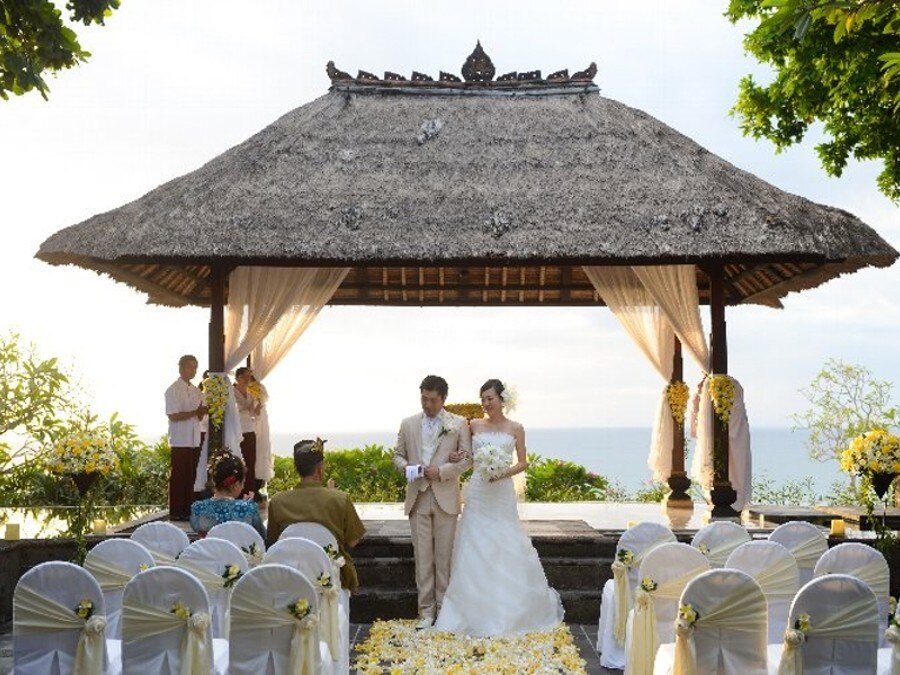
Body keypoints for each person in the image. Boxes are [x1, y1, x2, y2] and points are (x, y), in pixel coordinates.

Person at [434, 379, 564, 636]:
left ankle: (509, 608)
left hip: (501, 491)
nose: (485, 403)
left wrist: (503, 472)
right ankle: (469, 609)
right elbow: (467, 457)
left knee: (505, 541)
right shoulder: (473, 426)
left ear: (502, 400)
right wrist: (457, 457)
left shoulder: (516, 428)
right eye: (482, 399)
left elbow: (524, 463)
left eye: (489, 398)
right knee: (474, 542)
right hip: (480, 490)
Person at [393, 375, 472, 630]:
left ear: (443, 399)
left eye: (432, 400)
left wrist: (442, 470)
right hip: (418, 497)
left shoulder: (459, 424)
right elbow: (397, 457)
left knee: (444, 558)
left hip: (445, 498)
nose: (427, 404)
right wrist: (409, 469)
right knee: (423, 558)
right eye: (423, 399)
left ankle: (445, 610)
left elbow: (467, 460)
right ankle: (425, 611)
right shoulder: (408, 423)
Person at [266, 438, 366, 593]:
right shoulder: (339, 499)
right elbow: (353, 541)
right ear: (320, 469)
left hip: (291, 579)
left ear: (296, 468)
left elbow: (274, 543)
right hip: (331, 579)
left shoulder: (278, 501)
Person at [164, 354, 207, 521]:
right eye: (190, 366)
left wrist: (202, 412)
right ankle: (176, 511)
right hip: (180, 439)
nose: (193, 370)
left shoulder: (197, 391)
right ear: (181, 368)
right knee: (179, 476)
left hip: (194, 438)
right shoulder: (172, 389)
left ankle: (189, 510)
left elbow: (200, 416)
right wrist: (195, 413)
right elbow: (173, 415)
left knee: (192, 476)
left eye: (195, 367)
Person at [190, 452, 266, 539]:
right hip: (237, 552)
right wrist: (245, 505)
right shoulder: (248, 509)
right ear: (236, 485)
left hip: (209, 552)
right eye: (242, 483)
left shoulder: (198, 508)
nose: (243, 487)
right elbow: (261, 536)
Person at [233, 366, 261, 500]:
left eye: (249, 376)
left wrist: (257, 409)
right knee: (239, 462)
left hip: (249, 429)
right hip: (238, 431)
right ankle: (238, 492)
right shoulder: (231, 392)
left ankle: (250, 492)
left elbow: (251, 413)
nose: (247, 379)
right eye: (245, 376)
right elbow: (236, 410)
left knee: (251, 462)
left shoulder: (250, 393)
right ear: (238, 378)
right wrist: (249, 408)